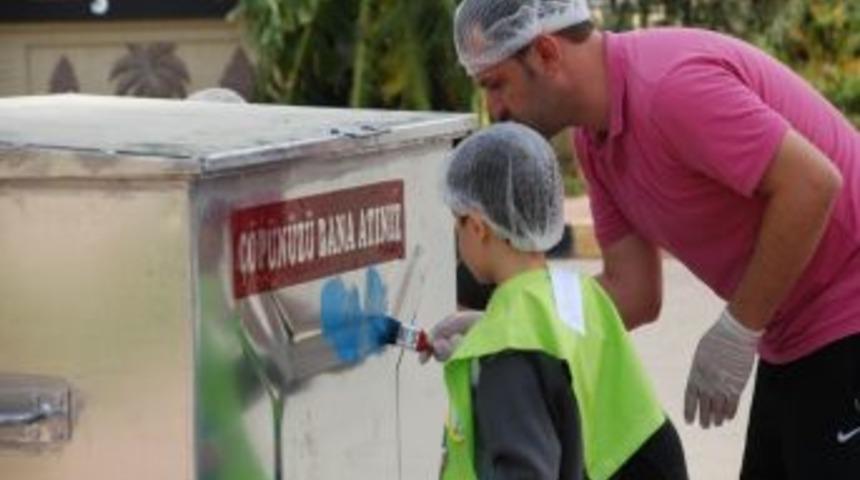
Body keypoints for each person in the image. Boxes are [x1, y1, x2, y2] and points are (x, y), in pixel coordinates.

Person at [437, 1, 860, 478]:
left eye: (496, 84)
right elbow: (634, 292)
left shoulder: (669, 88)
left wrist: (739, 328)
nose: (494, 110)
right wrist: (512, 327)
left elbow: (813, 185)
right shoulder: (594, 143)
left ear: (548, 52)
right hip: (792, 335)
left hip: (846, 314)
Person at [437, 121, 688, 480]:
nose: (457, 238)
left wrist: (493, 348)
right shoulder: (579, 292)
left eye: (457, 224)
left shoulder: (506, 351)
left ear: (478, 227)